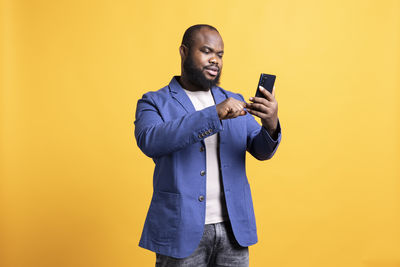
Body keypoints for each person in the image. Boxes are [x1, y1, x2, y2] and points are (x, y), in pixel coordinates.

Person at [134, 24, 282, 267]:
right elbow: (150, 140)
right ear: (183, 52)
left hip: (233, 230)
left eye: (220, 54)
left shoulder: (234, 100)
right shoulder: (154, 101)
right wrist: (213, 114)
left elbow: (261, 150)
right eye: (206, 51)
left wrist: (270, 123)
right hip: (180, 230)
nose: (215, 60)